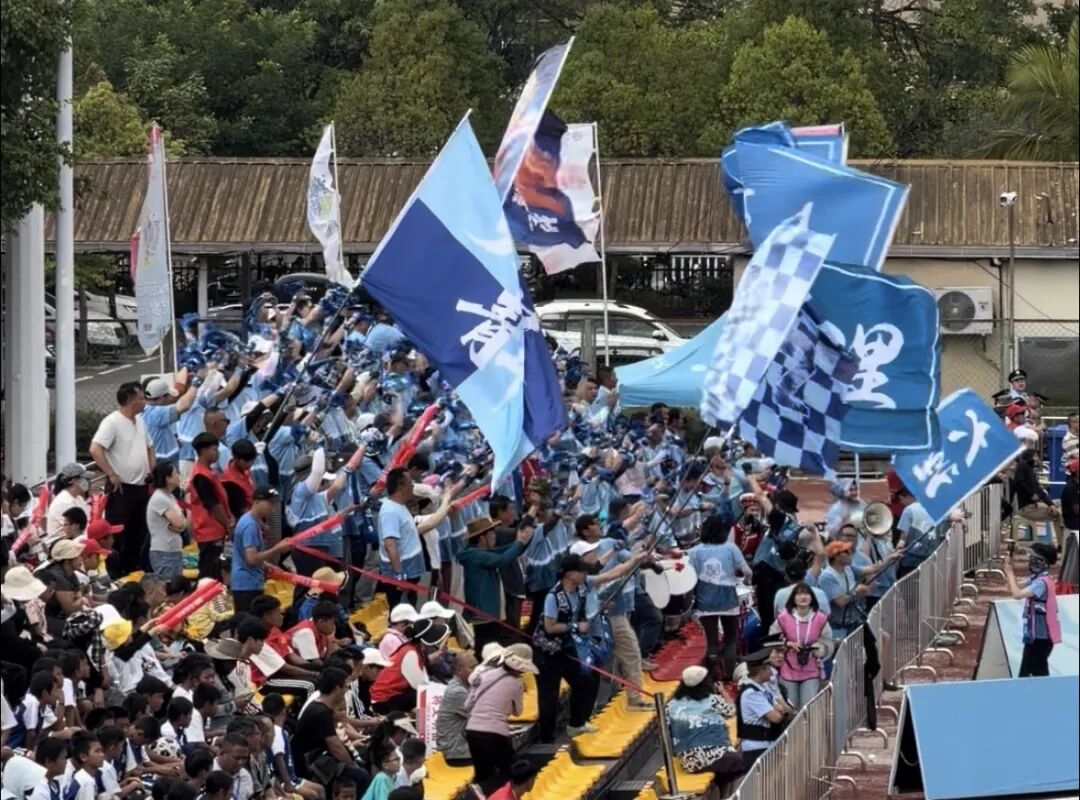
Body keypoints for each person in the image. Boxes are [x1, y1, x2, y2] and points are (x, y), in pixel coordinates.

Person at [535, 551, 647, 742]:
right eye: (582, 571)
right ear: (569, 574)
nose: (585, 574)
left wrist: (635, 560)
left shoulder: (584, 585)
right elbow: (550, 627)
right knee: (549, 694)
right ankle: (546, 737)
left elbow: (613, 574)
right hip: (548, 651)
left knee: (588, 679)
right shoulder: (553, 597)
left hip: (570, 647)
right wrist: (575, 626)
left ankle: (577, 723)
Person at [90, 382, 156, 574]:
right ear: (130, 400)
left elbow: (150, 447)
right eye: (141, 398)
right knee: (119, 533)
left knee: (139, 531)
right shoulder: (112, 422)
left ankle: (134, 569)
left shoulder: (140, 421)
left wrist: (151, 468)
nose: (144, 402)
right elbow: (95, 448)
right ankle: (116, 571)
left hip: (141, 486)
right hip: (121, 487)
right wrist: (111, 473)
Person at [456, 516, 533, 657]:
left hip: (488, 610)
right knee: (486, 648)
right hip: (483, 612)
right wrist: (519, 543)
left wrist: (521, 542)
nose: (494, 536)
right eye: (491, 533)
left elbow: (504, 551)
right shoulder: (475, 555)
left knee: (490, 646)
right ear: (482, 538)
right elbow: (501, 559)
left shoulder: (478, 552)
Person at [464, 644, 537, 792]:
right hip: (495, 732)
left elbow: (468, 704)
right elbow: (518, 712)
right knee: (511, 770)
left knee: (483, 773)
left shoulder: (484, 674)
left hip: (472, 730)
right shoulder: (516, 683)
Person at [689, 515, 751, 680]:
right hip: (728, 599)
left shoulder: (694, 551)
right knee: (730, 640)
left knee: (711, 642)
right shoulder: (731, 548)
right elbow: (747, 571)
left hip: (705, 599)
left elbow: (689, 577)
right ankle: (730, 677)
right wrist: (746, 582)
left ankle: (711, 678)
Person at [291, 668, 370, 791]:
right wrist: (353, 765)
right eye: (345, 687)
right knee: (361, 776)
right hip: (312, 765)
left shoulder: (322, 708)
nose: (346, 691)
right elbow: (336, 748)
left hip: (321, 759)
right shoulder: (321, 713)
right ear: (337, 689)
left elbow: (343, 723)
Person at [666, 665, 743, 787]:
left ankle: (721, 786)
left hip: (687, 761)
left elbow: (668, 730)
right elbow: (732, 711)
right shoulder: (712, 700)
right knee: (744, 761)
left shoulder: (671, 705)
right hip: (711, 756)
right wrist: (723, 691)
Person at [230, 486, 292, 612]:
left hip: (248, 582)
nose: (272, 507)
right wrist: (277, 549)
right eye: (269, 503)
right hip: (247, 585)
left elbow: (247, 555)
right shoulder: (250, 525)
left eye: (274, 504)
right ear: (257, 501)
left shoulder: (251, 520)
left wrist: (267, 565)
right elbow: (251, 559)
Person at [772, 583, 833, 711]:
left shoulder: (820, 618)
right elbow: (773, 638)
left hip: (811, 668)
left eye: (806, 594)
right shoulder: (783, 617)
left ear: (812, 597)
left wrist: (819, 648)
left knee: (808, 708)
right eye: (799, 594)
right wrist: (788, 644)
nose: (803, 597)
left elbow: (827, 641)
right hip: (788, 668)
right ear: (793, 598)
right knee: (791, 708)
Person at [1004, 543, 1061, 677]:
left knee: (1032, 674)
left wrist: (1010, 573)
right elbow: (1012, 587)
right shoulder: (1038, 579)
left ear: (1041, 561)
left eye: (1032, 558)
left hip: (1041, 637)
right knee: (1036, 673)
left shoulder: (1041, 583)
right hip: (1036, 636)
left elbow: (1017, 594)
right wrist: (1009, 570)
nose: (1029, 560)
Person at [368, 620, 447, 714]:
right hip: (382, 701)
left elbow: (424, 669)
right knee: (424, 695)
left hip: (391, 695)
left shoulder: (414, 650)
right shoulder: (410, 653)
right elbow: (420, 685)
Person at [187, 432, 233, 580]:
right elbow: (213, 505)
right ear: (204, 451)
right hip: (209, 530)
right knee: (210, 572)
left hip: (214, 529)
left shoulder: (207, 472)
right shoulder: (201, 476)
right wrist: (227, 523)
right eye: (214, 449)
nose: (217, 453)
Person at [377, 468, 425, 608]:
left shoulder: (399, 506)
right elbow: (390, 544)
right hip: (402, 572)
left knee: (410, 605)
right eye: (410, 482)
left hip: (409, 570)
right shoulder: (390, 512)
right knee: (402, 609)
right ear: (400, 486)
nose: (413, 485)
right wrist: (399, 576)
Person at [736, 649, 790, 769]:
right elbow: (776, 717)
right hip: (756, 748)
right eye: (768, 668)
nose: (771, 672)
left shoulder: (762, 689)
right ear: (761, 671)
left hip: (767, 744)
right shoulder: (752, 693)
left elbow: (783, 709)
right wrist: (779, 711)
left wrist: (779, 710)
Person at [1011, 449, 1063, 547]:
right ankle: (1061, 545)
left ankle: (1061, 543)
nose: (1037, 459)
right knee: (1057, 515)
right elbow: (1019, 482)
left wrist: (1051, 504)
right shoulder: (1023, 465)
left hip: (1034, 505)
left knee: (1057, 507)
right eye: (1035, 456)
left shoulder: (1030, 470)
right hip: (1027, 507)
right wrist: (1031, 494)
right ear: (1030, 456)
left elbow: (1040, 491)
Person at [817, 541, 868, 640]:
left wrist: (890, 559)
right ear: (836, 556)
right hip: (836, 627)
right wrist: (856, 592)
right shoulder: (827, 576)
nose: (850, 553)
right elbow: (840, 602)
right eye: (846, 552)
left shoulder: (848, 569)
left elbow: (870, 569)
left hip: (852, 622)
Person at [146, 462, 188, 580]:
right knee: (168, 585)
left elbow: (182, 523)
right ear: (167, 478)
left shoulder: (170, 497)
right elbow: (180, 523)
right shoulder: (160, 498)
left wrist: (181, 525)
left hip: (173, 550)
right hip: (164, 553)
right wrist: (181, 525)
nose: (179, 476)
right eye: (176, 473)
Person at [435, 649, 477, 766]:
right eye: (472, 667)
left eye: (477, 666)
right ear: (459, 670)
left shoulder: (465, 686)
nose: (477, 671)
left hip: (461, 748)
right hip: (456, 753)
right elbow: (483, 716)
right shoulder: (457, 692)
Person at [895, 486, 943, 579]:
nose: (901, 502)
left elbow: (903, 537)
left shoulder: (908, 510)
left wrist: (897, 551)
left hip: (912, 557)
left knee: (909, 584)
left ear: (908, 496)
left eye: (901, 499)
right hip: (932, 554)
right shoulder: (934, 508)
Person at [44, 464, 90, 540]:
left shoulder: (78, 498)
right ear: (74, 480)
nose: (88, 482)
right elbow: (71, 530)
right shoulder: (63, 501)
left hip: (75, 539)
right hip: (62, 542)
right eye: (85, 478)